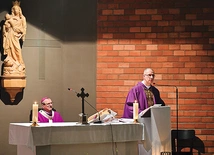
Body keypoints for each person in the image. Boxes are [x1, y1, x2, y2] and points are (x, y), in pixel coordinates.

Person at [2, 1, 27, 75]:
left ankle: (20, 64)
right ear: (13, 10)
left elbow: (24, 28)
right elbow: (6, 27)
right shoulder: (10, 18)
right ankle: (12, 62)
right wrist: (6, 27)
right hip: (10, 35)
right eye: (14, 9)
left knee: (17, 49)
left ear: (19, 10)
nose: (16, 10)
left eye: (17, 9)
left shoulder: (22, 18)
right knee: (10, 49)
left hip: (16, 36)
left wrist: (22, 33)